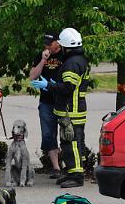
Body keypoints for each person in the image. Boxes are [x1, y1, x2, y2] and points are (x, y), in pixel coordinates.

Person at [37, 28, 90, 189]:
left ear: (65, 46)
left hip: (71, 111)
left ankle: (76, 176)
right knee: (74, 142)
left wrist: (49, 85)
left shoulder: (72, 63)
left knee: (70, 143)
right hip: (74, 110)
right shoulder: (79, 60)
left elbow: (67, 88)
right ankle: (72, 172)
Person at [29, 33, 64, 179]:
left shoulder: (65, 54)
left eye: (50, 43)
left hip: (62, 100)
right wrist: (43, 60)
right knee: (48, 134)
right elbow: (32, 76)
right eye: (46, 43)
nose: (47, 46)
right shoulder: (42, 55)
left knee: (67, 133)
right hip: (46, 101)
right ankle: (56, 168)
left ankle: (70, 166)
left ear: (58, 42)